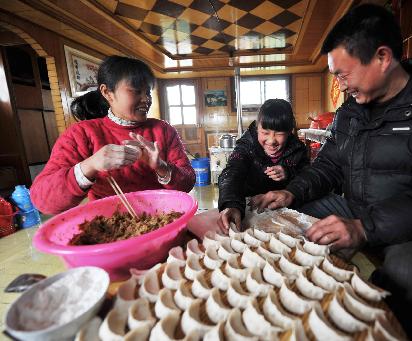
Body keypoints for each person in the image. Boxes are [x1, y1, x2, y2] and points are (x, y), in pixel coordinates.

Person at [251, 4, 412, 340]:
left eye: (342, 73)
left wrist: (364, 227)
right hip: (360, 209)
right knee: (281, 216)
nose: (339, 84)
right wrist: (291, 191)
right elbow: (328, 165)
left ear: (382, 57)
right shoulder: (353, 109)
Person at [32, 56, 195, 214]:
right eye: (136, 91)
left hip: (163, 216)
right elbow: (43, 201)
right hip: (109, 225)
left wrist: (161, 167)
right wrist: (90, 165)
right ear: (107, 92)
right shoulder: (81, 133)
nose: (146, 99)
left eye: (148, 92)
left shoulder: (163, 130)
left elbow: (188, 182)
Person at [187, 99, 309, 237]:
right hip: (250, 206)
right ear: (257, 127)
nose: (271, 141)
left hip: (284, 208)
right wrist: (231, 204)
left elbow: (307, 178)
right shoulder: (247, 145)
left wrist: (288, 172)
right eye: (265, 133)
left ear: (289, 132)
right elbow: (232, 172)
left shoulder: (298, 149)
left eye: (279, 134)